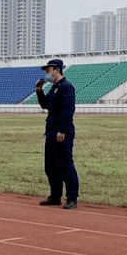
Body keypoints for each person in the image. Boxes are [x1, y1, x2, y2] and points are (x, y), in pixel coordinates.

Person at [34, 58, 79, 209]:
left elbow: (68, 111)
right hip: (51, 131)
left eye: (48, 70)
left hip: (61, 131)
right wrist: (39, 91)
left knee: (65, 165)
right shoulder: (54, 88)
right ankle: (55, 196)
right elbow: (46, 105)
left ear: (57, 70)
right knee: (51, 166)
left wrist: (62, 130)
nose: (47, 73)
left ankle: (72, 198)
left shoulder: (66, 87)